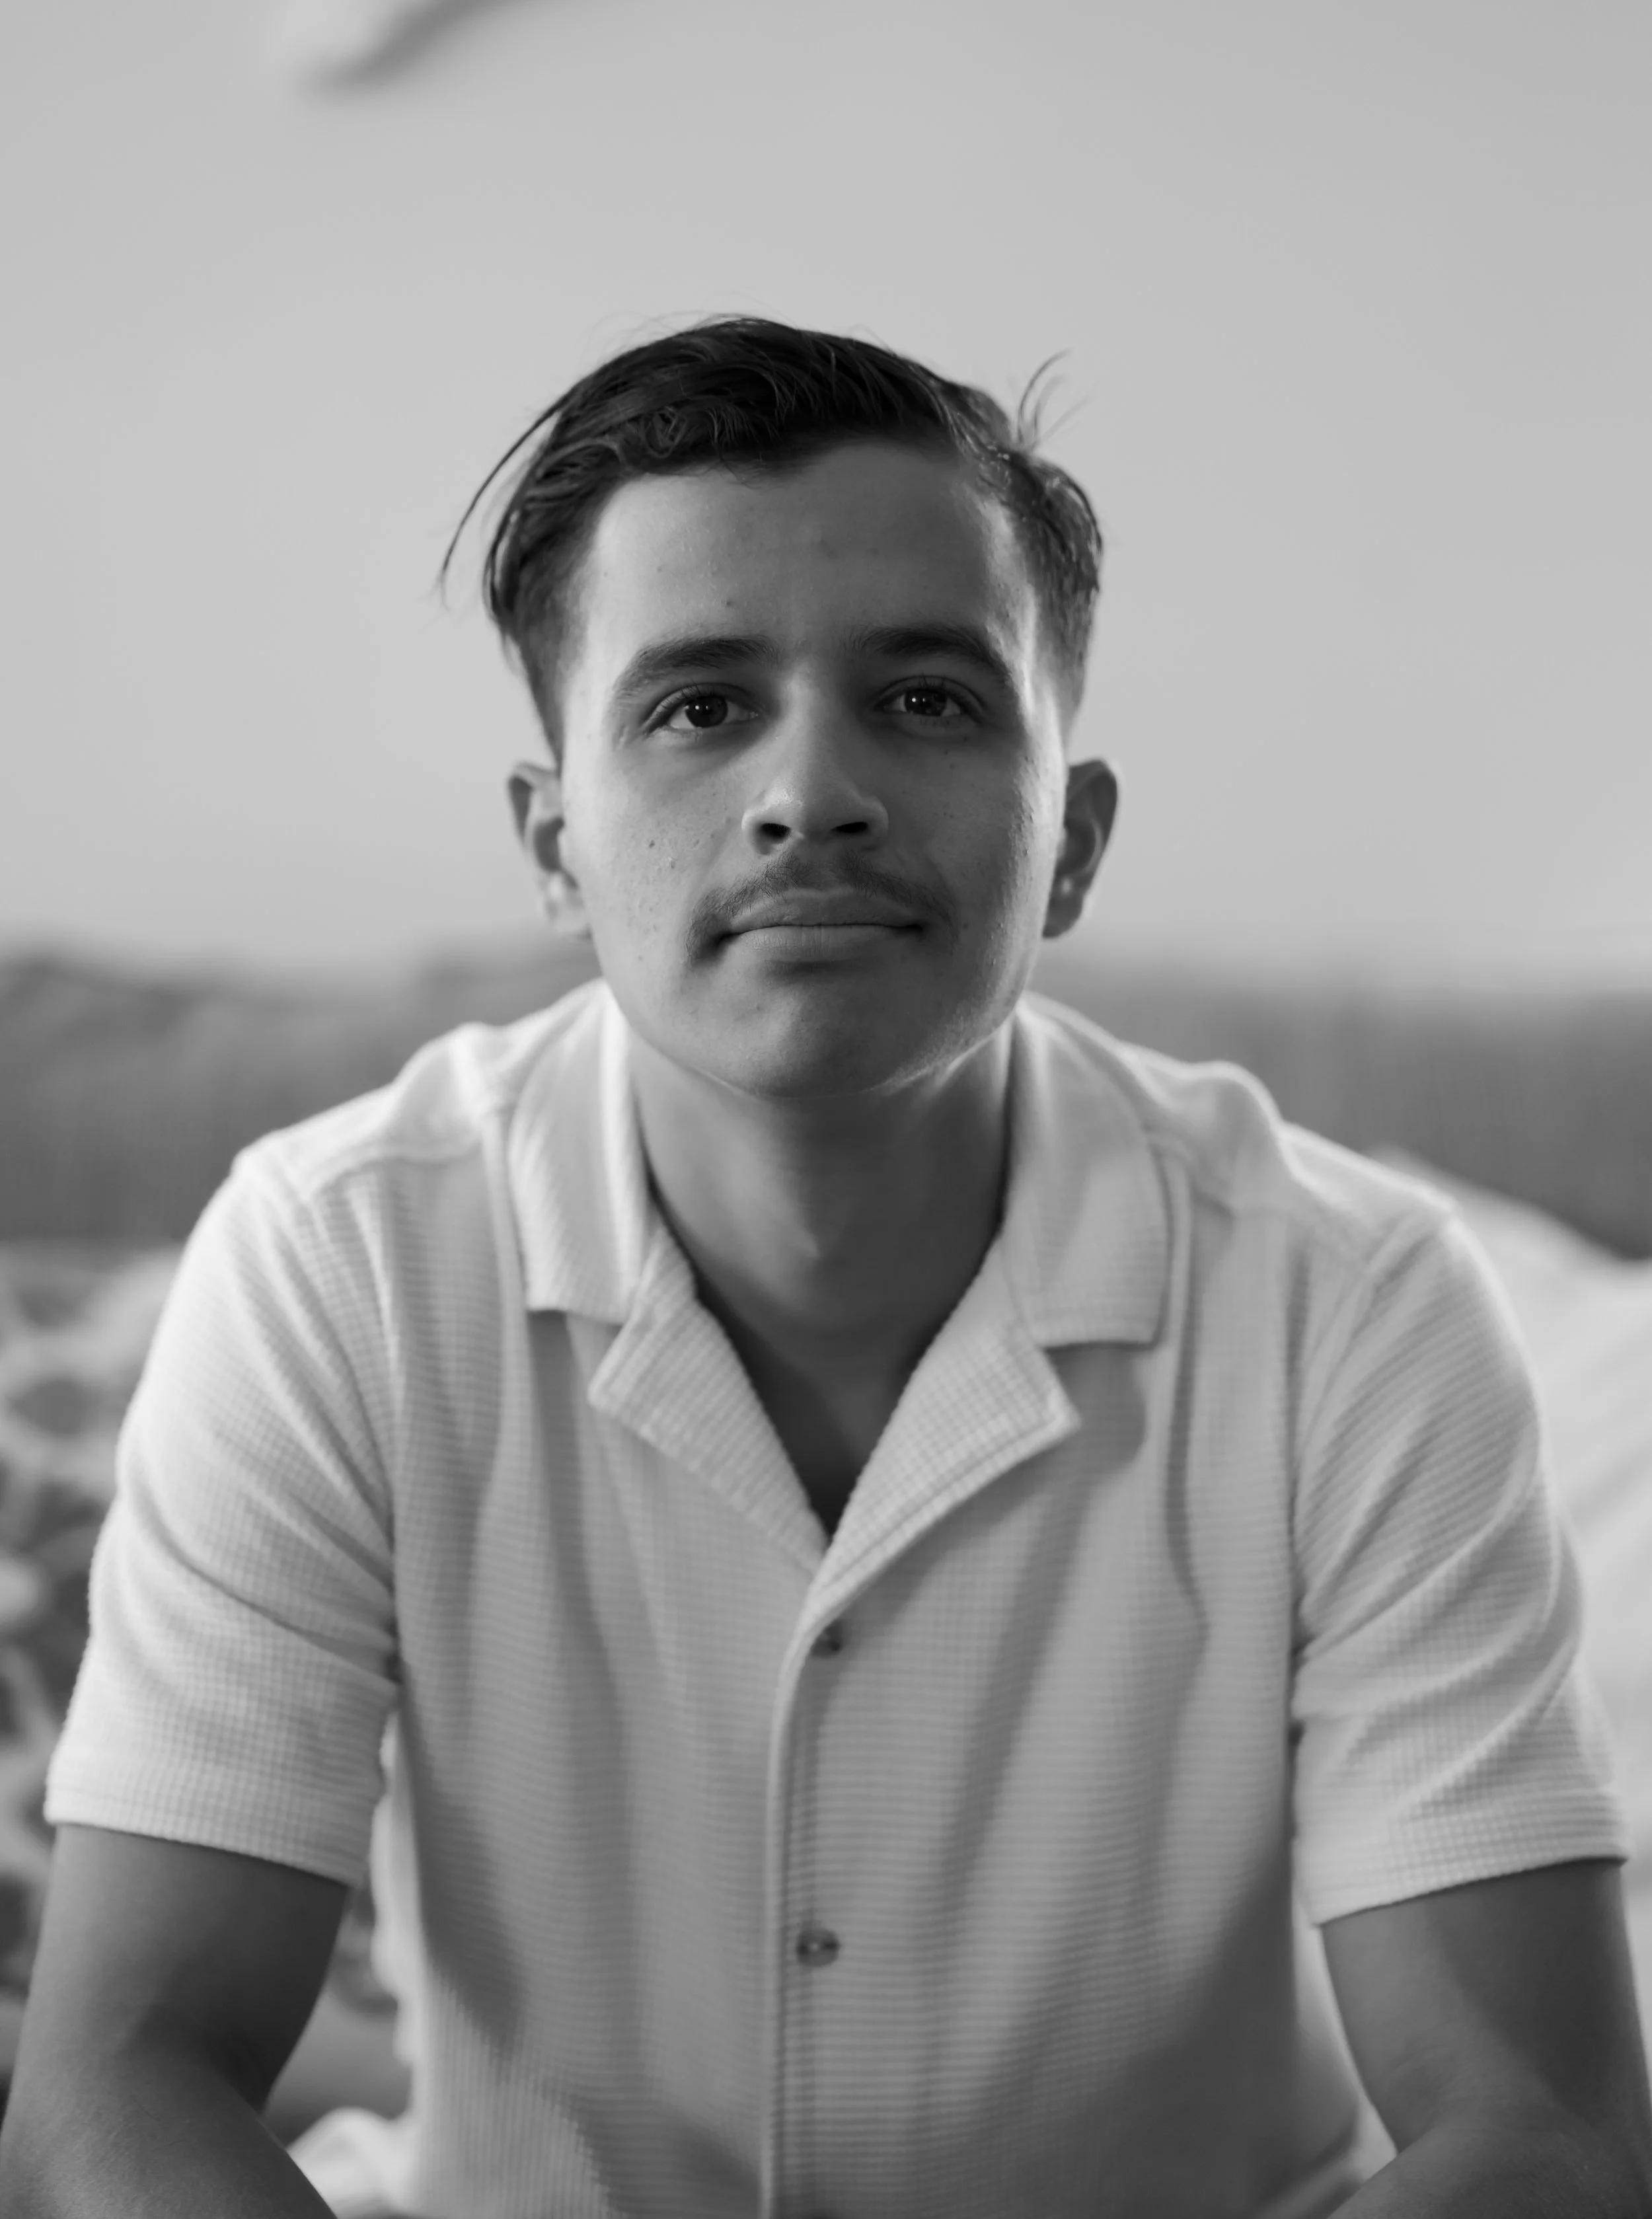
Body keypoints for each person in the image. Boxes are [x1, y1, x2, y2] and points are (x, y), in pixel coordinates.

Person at [1, 317, 1647, 2219]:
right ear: (551, 841)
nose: (811, 793)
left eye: (930, 700)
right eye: (699, 706)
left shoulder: (1356, 1301)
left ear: (1076, 842)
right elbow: (119, 2079)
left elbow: (1544, 2142)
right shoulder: (333, 1259)